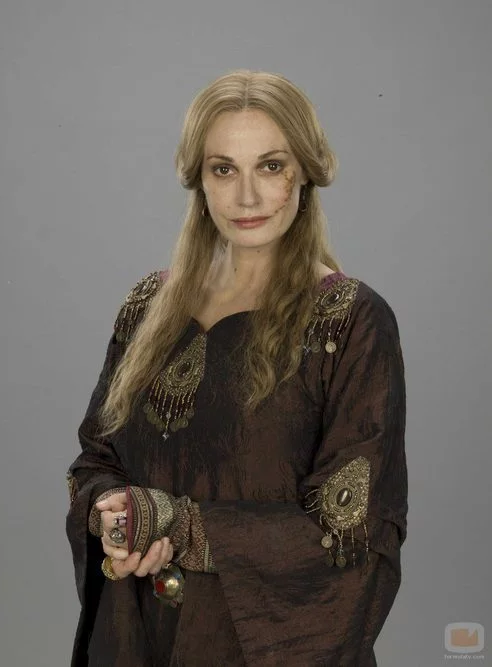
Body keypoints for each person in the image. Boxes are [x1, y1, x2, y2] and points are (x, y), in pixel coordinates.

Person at [65, 69, 408, 667]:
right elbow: (95, 461)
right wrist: (119, 519)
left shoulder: (350, 322)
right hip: (138, 636)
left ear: (305, 171)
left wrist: (179, 527)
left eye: (270, 166)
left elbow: (350, 526)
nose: (246, 197)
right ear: (199, 180)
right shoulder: (147, 306)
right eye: (223, 169)